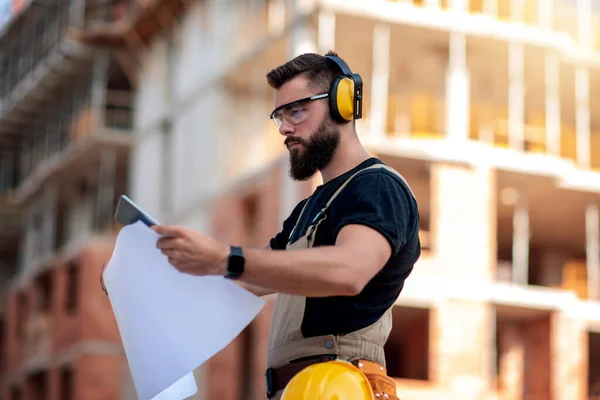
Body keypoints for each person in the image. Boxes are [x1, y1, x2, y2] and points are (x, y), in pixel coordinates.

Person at [101, 51, 420, 400]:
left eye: (296, 110)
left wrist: (225, 257)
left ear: (341, 104)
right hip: (300, 389)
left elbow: (350, 269)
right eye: (279, 116)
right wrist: (142, 276)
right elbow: (247, 281)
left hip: (339, 388)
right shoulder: (307, 211)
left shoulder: (378, 187)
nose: (284, 128)